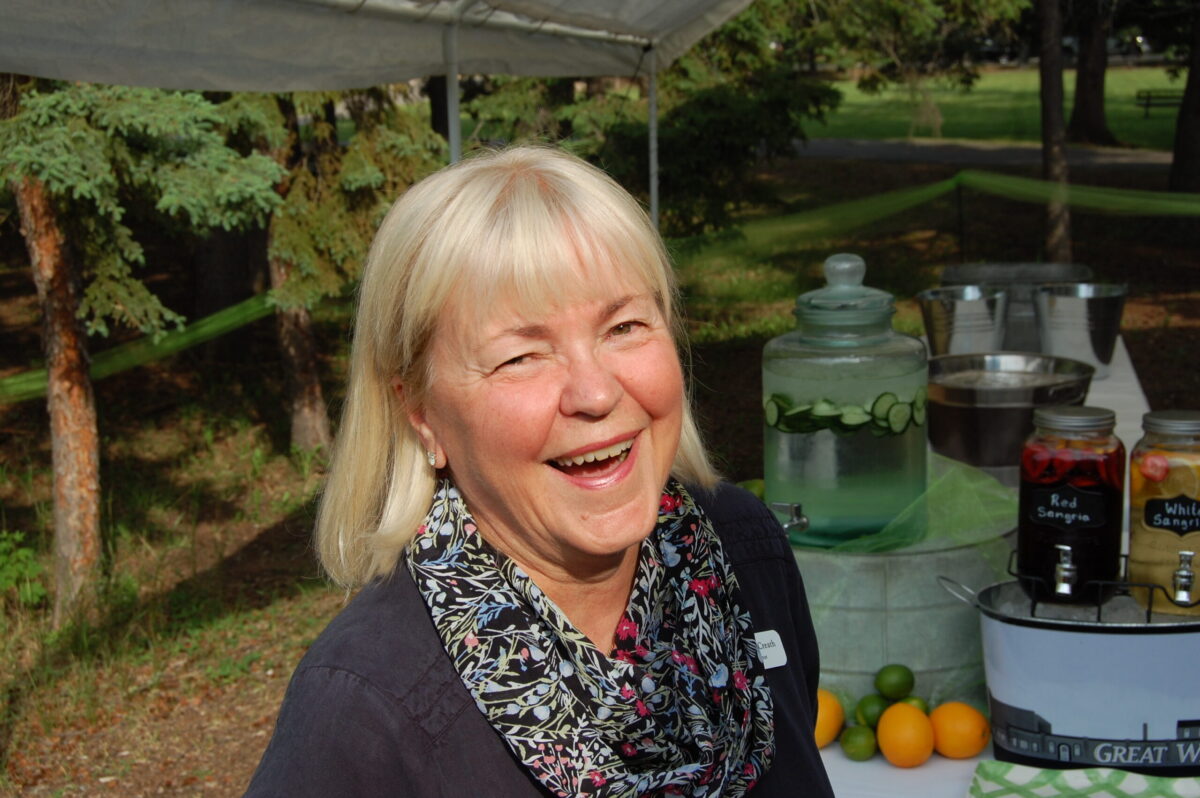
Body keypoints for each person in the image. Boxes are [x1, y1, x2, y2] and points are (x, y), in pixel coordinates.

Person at [245, 146, 834, 797]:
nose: (596, 392)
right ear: (420, 412)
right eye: (522, 356)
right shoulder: (363, 713)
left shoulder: (742, 552)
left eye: (624, 326)